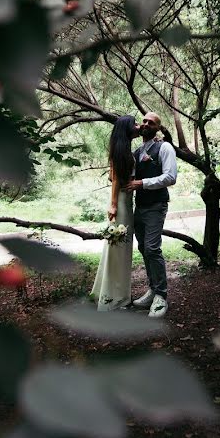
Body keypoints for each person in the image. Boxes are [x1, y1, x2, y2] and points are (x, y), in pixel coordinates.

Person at [124, 112, 177, 318]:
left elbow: (170, 177)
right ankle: (152, 290)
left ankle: (161, 296)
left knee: (152, 248)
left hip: (156, 205)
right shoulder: (137, 151)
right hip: (140, 206)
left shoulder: (164, 147)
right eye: (144, 121)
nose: (145, 124)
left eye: (151, 122)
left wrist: (142, 183)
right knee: (143, 248)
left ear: (157, 128)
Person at [89, 115, 138, 311]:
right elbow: (115, 178)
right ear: (127, 129)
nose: (137, 126)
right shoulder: (121, 151)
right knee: (118, 249)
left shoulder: (124, 150)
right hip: (122, 204)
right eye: (134, 124)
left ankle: (111, 293)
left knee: (119, 249)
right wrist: (114, 204)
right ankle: (114, 298)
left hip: (126, 202)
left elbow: (113, 175)